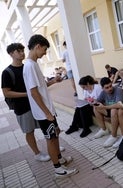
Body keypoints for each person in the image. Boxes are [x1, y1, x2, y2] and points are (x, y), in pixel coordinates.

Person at [23, 34, 78, 178]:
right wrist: (47, 112)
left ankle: (59, 159)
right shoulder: (29, 66)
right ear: (37, 46)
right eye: (45, 50)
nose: (45, 53)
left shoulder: (33, 64)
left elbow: (40, 86)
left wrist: (54, 81)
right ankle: (58, 169)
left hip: (47, 110)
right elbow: (33, 92)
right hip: (44, 113)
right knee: (51, 138)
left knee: (55, 134)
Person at [1, 43, 50, 162]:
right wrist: (27, 94)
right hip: (22, 107)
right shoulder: (7, 72)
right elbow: (6, 93)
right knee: (29, 131)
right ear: (11, 54)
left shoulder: (27, 66)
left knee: (45, 126)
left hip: (36, 104)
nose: (22, 53)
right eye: (18, 51)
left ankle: (53, 145)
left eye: (23, 50)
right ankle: (37, 153)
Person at [93, 77, 123, 148]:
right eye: (107, 87)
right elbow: (98, 101)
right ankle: (104, 129)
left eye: (110, 86)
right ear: (102, 88)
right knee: (96, 108)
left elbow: (119, 105)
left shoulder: (118, 90)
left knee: (113, 110)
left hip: (122, 112)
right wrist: (94, 102)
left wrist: (104, 107)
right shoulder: (103, 92)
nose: (110, 88)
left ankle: (114, 136)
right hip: (111, 110)